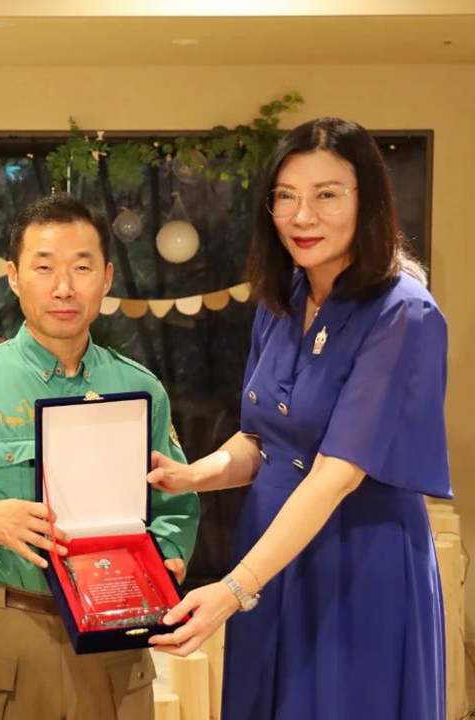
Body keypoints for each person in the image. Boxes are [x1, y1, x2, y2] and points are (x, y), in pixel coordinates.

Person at [146, 117, 448, 720]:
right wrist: (191, 475)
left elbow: (337, 473)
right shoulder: (282, 298)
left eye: (327, 194)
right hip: (273, 550)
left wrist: (233, 588)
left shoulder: (402, 313)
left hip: (357, 560)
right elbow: (264, 438)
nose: (302, 216)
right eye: (285, 196)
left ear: (369, 200)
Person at [0, 193, 201, 720]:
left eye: (81, 268)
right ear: (13, 275)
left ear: (105, 278)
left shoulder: (137, 388)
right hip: (5, 637)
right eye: (44, 266)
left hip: (114, 639)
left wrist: (163, 561)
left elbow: (175, 506)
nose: (63, 287)